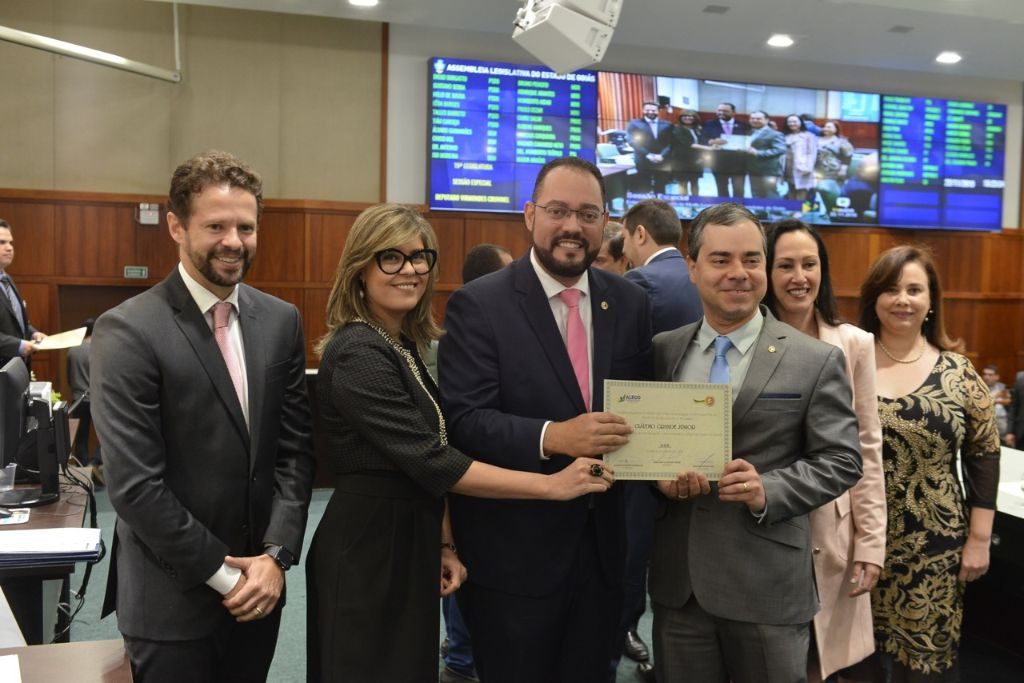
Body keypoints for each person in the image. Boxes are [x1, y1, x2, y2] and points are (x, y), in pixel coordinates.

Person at [306, 202, 618, 683]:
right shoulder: (358, 352)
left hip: (409, 536)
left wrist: (445, 541)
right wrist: (552, 486)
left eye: (419, 257)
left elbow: (428, 455)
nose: (409, 270)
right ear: (359, 269)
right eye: (390, 258)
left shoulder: (399, 344)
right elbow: (434, 461)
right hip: (368, 548)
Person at [90, 150, 317, 682]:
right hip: (171, 601)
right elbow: (136, 487)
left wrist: (276, 557)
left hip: (261, 593)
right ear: (176, 226)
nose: (233, 241)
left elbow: (293, 452)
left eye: (246, 227)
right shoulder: (128, 330)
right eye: (216, 226)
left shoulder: (280, 320)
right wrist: (225, 576)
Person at [439, 156, 653, 683]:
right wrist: (553, 437)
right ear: (530, 215)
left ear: (606, 223)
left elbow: (643, 411)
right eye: (558, 211)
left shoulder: (629, 303)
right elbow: (465, 422)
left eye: (587, 214)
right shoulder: (479, 304)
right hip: (514, 560)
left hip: (604, 557)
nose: (572, 226)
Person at [647, 202, 863, 683]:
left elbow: (842, 460)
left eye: (751, 259)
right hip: (680, 588)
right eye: (721, 259)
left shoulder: (815, 359)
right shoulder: (663, 350)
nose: (738, 273)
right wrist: (656, 480)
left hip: (768, 587)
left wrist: (770, 489)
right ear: (692, 267)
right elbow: (644, 444)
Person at [859, 245, 1000, 681]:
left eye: (914, 290)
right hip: (857, 542)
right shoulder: (846, 362)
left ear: (931, 300)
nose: (902, 300)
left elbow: (983, 454)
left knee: (925, 664)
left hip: (935, 548)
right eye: (890, 289)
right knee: (855, 661)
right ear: (874, 299)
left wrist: (979, 539)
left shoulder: (959, 372)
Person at [764, 219, 886, 682]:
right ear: (767, 272)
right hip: (764, 520)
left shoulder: (854, 344)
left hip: (832, 528)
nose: (799, 277)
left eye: (809, 264)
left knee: (821, 658)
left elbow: (867, 449)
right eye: (785, 265)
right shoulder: (746, 339)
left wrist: (871, 543)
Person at [617, 198, 703, 681]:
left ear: (640, 234)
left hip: (644, 434)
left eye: (624, 238)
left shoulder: (639, 283)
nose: (624, 250)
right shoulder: (699, 278)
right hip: (704, 429)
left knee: (632, 540)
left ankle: (623, 628)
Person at [441, 242, 513, 683]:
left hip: (473, 481)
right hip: (465, 476)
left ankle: (460, 653)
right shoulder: (466, 331)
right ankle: (460, 659)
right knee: (461, 567)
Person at [0, 219, 47, 369]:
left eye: (10, 243)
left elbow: (17, 323)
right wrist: (19, 345)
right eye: (2, 242)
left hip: (17, 370)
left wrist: (33, 334)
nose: (9, 248)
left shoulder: (7, 280)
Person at [66, 318, 100, 478]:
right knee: (105, 435)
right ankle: (95, 462)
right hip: (97, 399)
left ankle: (83, 472)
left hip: (78, 399)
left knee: (81, 438)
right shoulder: (98, 350)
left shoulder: (72, 351)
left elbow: (69, 377)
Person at [700, 102, 751, 198]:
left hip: (739, 162)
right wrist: (711, 141)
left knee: (739, 189)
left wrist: (745, 146)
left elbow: (749, 140)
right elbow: (702, 138)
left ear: (734, 112)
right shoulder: (709, 124)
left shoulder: (744, 125)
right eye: (719, 110)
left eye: (725, 111)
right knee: (721, 188)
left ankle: (737, 207)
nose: (721, 113)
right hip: (718, 162)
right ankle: (724, 206)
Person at [626, 102, 673, 195]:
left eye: (653, 110)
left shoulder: (668, 124)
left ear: (658, 111)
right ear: (643, 110)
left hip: (662, 160)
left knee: (661, 187)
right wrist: (648, 155)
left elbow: (672, 143)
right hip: (643, 159)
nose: (650, 112)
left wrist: (662, 155)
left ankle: (659, 203)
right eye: (647, 110)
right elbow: (632, 141)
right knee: (643, 187)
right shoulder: (634, 123)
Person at [814, 120, 854, 216]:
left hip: (833, 172)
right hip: (816, 171)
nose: (826, 129)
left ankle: (831, 212)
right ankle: (819, 213)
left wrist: (843, 169)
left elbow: (847, 157)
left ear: (836, 129)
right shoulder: (815, 139)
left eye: (829, 127)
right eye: (824, 127)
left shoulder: (841, 142)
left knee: (828, 191)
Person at [745, 111, 787, 198]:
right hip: (753, 169)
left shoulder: (775, 134)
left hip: (768, 170)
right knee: (756, 194)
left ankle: (775, 208)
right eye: (752, 118)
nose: (754, 120)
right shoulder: (749, 132)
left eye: (758, 119)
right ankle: (758, 208)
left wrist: (758, 153)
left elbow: (780, 149)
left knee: (770, 193)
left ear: (767, 120)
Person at [670, 109, 706, 196]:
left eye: (691, 116)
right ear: (681, 118)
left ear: (695, 118)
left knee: (695, 183)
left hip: (696, 161)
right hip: (681, 161)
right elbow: (688, 144)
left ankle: (696, 201)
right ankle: (685, 203)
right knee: (683, 183)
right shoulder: (677, 129)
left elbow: (702, 141)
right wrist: (709, 148)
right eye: (685, 116)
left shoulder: (697, 129)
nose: (688, 118)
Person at [783, 114, 819, 202]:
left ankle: (799, 208)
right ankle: (792, 207)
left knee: (802, 189)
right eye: (789, 122)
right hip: (788, 166)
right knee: (791, 187)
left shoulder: (809, 136)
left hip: (803, 167)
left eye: (794, 121)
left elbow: (812, 153)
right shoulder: (785, 136)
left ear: (800, 123)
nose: (792, 124)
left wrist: (808, 167)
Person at [982, 365, 1011, 445]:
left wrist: (997, 401)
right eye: (985, 374)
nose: (986, 377)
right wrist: (996, 397)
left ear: (997, 377)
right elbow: (982, 404)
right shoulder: (979, 388)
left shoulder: (1003, 387)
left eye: (990, 375)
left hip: (1003, 423)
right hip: (987, 423)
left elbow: (1010, 401)